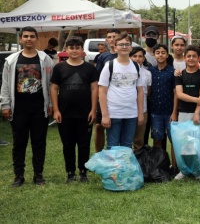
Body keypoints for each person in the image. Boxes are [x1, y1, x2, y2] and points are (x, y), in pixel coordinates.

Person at [1, 27, 55, 187]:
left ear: (37, 39)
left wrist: (51, 103)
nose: (29, 39)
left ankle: (38, 175)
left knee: (39, 142)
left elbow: (52, 83)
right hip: (19, 110)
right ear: (21, 39)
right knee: (19, 143)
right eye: (26, 36)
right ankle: (19, 176)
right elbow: (5, 84)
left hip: (40, 108)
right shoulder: (11, 61)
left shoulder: (45, 59)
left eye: (32, 36)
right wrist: (5, 104)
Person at [50, 37, 97, 183]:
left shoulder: (90, 68)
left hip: (85, 113)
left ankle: (83, 172)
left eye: (77, 47)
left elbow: (95, 88)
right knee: (68, 144)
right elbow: (54, 88)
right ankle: (70, 172)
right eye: (71, 47)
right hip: (65, 113)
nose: (74, 50)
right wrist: (56, 110)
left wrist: (93, 109)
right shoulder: (59, 68)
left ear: (82, 50)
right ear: (66, 49)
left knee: (84, 144)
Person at [98, 33, 144, 150]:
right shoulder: (110, 66)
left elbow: (140, 91)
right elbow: (102, 91)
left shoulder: (136, 66)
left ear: (131, 47)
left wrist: (140, 113)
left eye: (127, 44)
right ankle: (114, 169)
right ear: (115, 47)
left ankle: (125, 168)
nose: (124, 47)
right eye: (121, 44)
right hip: (114, 113)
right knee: (112, 146)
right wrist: (105, 115)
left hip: (131, 114)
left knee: (127, 146)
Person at [172, 45, 200, 180]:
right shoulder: (179, 75)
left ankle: (199, 170)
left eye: (194, 56)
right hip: (183, 113)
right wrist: (197, 100)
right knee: (185, 143)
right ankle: (185, 170)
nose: (191, 59)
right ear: (184, 58)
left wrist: (197, 112)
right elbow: (180, 95)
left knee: (199, 142)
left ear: (198, 58)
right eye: (189, 56)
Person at [148, 43, 176, 166]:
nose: (160, 55)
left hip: (170, 111)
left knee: (173, 140)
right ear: (154, 55)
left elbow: (176, 93)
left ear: (167, 54)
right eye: (158, 52)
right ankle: (158, 166)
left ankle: (175, 166)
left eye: (163, 52)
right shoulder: (150, 71)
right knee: (157, 139)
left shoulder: (173, 72)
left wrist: (175, 112)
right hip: (155, 111)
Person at [94, 29, 120, 152]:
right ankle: (98, 154)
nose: (112, 39)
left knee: (117, 126)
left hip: (120, 97)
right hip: (104, 96)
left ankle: (117, 153)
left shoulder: (126, 55)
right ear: (106, 40)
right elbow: (97, 78)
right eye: (109, 37)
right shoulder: (103, 57)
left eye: (115, 36)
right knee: (99, 126)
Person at [130, 47, 152, 151]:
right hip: (127, 110)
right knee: (126, 139)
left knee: (139, 140)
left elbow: (148, 92)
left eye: (140, 56)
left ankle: (138, 161)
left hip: (142, 110)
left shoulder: (147, 73)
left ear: (143, 58)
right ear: (130, 57)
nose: (137, 59)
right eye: (135, 56)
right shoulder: (125, 71)